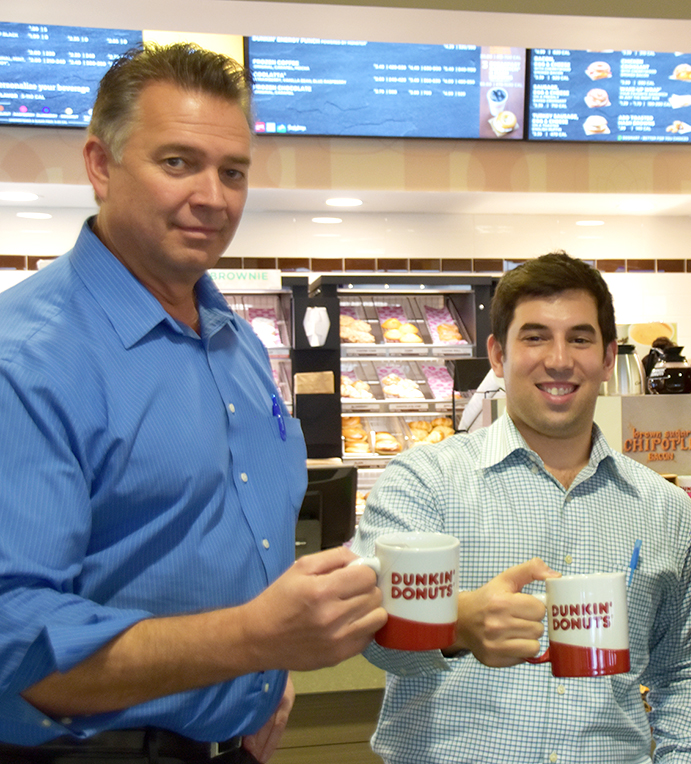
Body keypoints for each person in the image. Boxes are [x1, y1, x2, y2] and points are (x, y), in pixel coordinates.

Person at [0, 43, 386, 763]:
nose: (213, 196)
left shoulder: (233, 340)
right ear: (99, 165)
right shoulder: (24, 362)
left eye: (232, 171)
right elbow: (17, 645)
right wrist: (256, 639)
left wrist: (260, 678)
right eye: (177, 162)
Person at [354, 252, 691, 763]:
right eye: (534, 337)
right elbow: (365, 629)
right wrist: (457, 625)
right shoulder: (424, 481)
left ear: (607, 356)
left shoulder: (663, 508)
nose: (558, 359)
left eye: (579, 337)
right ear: (498, 356)